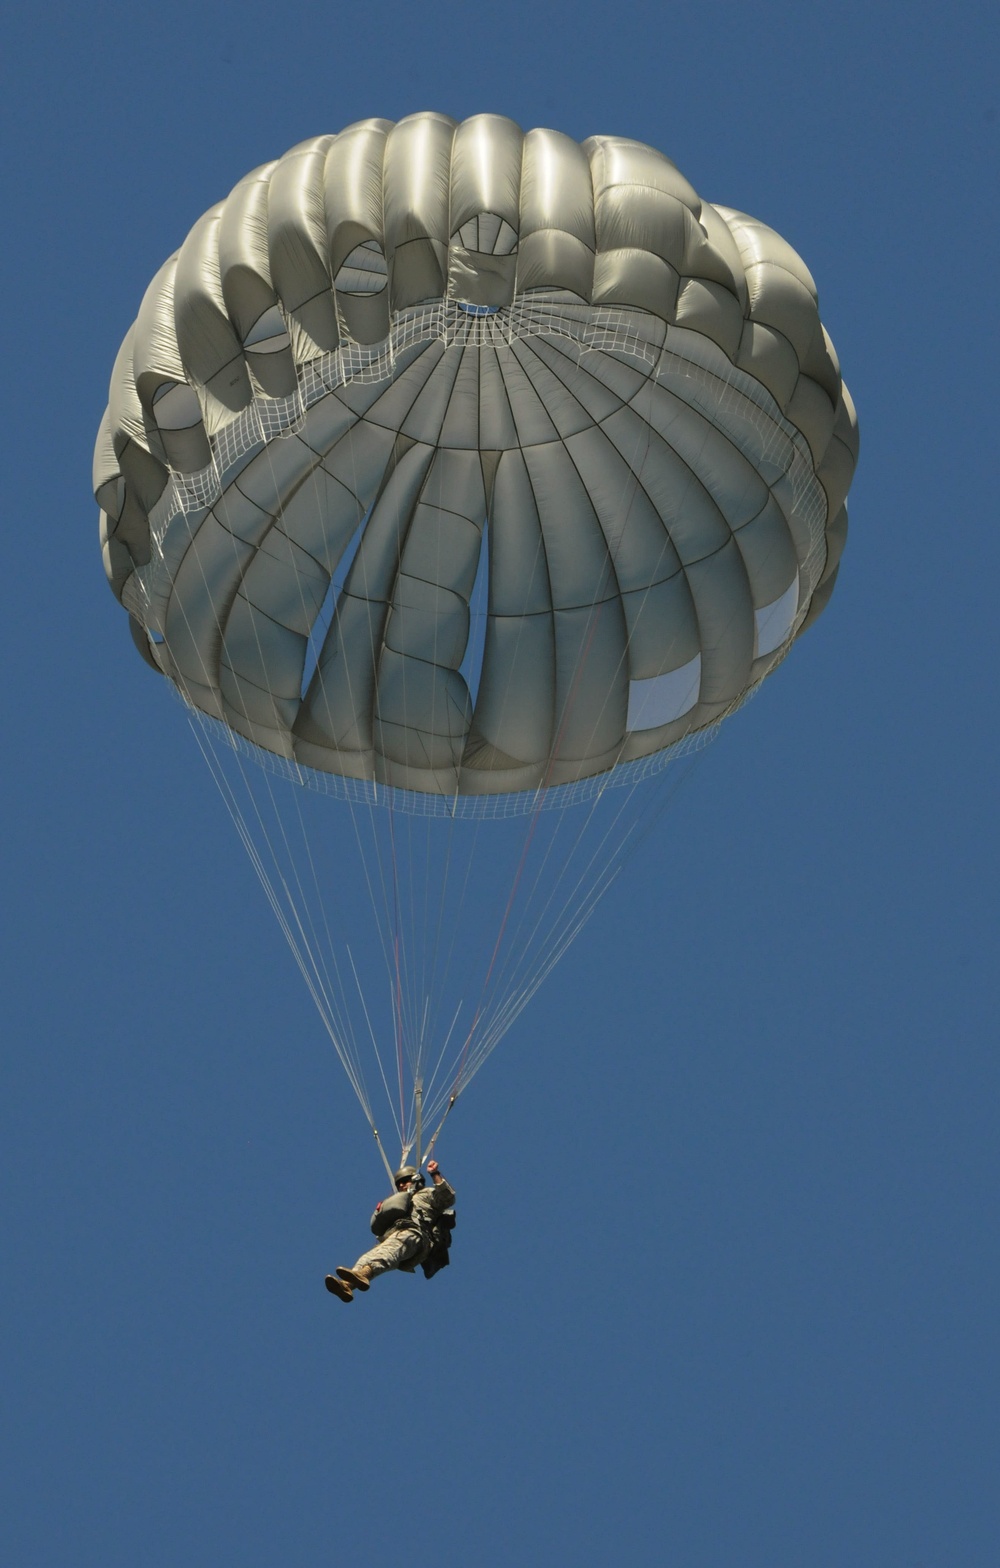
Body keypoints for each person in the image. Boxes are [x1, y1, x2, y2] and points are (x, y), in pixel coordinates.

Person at [325, 1159, 456, 1303]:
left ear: (416, 1180)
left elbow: (448, 1198)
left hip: (416, 1236)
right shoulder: (401, 1199)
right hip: (399, 1234)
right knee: (369, 1257)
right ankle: (347, 1285)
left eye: (405, 1181)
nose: (401, 1185)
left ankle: (361, 1276)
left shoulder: (425, 1194)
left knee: (387, 1253)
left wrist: (434, 1173)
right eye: (399, 1183)